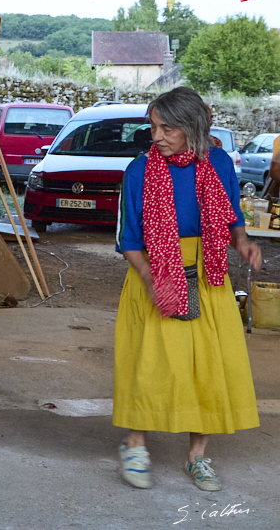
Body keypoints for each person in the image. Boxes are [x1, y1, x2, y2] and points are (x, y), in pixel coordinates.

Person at [113, 86, 260, 492]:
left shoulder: (219, 164)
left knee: (209, 365)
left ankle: (197, 455)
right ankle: (135, 444)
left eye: (167, 129)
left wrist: (243, 243)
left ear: (192, 127)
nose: (157, 136)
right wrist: (153, 280)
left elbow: (232, 214)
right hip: (154, 271)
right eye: (154, 127)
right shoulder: (139, 171)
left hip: (208, 275)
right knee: (151, 364)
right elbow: (128, 240)